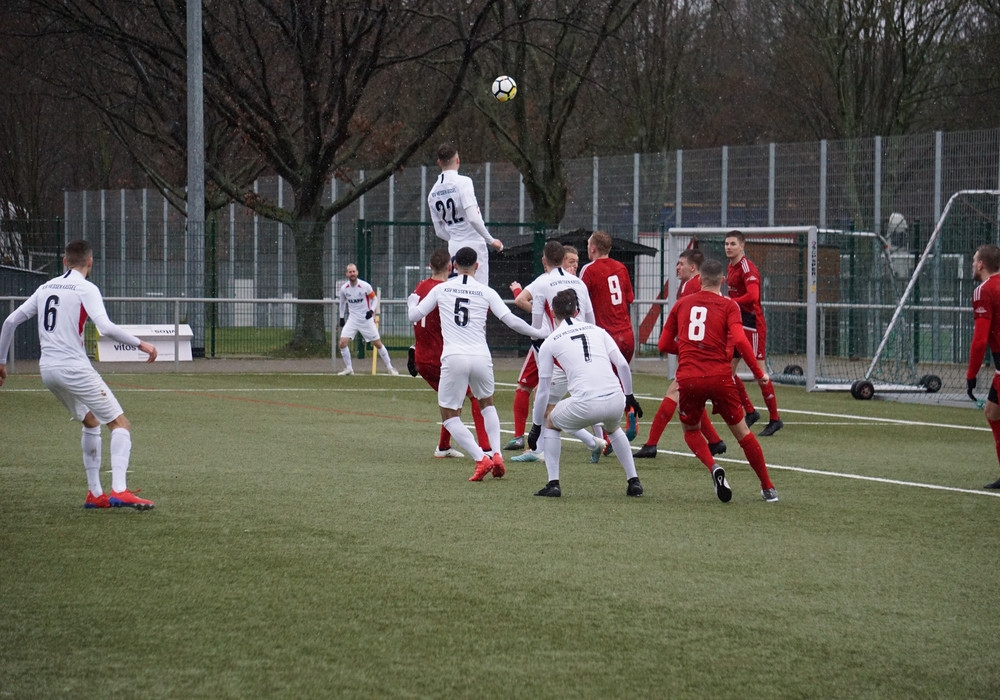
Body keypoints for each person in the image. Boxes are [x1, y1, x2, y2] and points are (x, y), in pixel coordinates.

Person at [0, 239, 157, 509]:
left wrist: (2, 361)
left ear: (65, 261)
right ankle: (120, 490)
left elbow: (10, 321)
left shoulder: (46, 287)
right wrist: (141, 344)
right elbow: (105, 327)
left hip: (48, 370)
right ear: (90, 262)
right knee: (120, 424)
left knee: (91, 421)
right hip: (74, 367)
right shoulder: (86, 288)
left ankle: (95, 494)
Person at [407, 246, 547, 482]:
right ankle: (496, 454)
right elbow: (511, 321)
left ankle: (480, 458)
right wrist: (539, 332)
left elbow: (414, 315)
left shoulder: (441, 288)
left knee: (449, 415)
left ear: (454, 266)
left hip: (454, 357)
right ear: (477, 266)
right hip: (481, 356)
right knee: (487, 404)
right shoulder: (486, 291)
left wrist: (411, 302)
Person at [659, 259, 779, 503]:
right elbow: (740, 340)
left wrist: (688, 351)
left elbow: (663, 344)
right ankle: (768, 488)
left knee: (691, 430)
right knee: (743, 433)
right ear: (723, 281)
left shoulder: (681, 304)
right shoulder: (729, 305)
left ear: (700, 280)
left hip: (689, 377)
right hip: (720, 377)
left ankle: (714, 467)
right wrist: (758, 373)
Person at [527, 289, 644, 498]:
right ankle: (633, 481)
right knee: (613, 428)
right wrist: (629, 397)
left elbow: (543, 389)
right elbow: (622, 365)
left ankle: (553, 484)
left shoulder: (550, 342)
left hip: (585, 404)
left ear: (552, 313)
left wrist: (536, 426)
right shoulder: (598, 331)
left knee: (551, 422)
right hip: (615, 399)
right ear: (577, 310)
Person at [506, 240, 605, 464]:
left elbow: (536, 327)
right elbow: (592, 321)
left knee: (547, 406)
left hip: (559, 352)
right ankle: (543, 448)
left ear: (544, 261)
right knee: (561, 403)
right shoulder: (579, 283)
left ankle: (591, 442)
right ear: (563, 260)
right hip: (583, 349)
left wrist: (536, 340)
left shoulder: (543, 282)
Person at [636, 248, 727, 458]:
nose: (677, 267)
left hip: (698, 356)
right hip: (708, 353)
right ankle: (715, 441)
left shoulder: (691, 286)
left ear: (693, 268)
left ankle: (651, 444)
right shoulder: (699, 286)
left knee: (675, 394)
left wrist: (686, 347)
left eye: (681, 264)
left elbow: (685, 323)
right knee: (691, 397)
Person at [408, 248, 491, 458]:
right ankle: (486, 449)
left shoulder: (421, 286)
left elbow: (421, 319)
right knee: (476, 396)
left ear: (430, 266)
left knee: (452, 402)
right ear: (449, 266)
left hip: (422, 355)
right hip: (440, 356)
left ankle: (444, 447)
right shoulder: (445, 290)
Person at [579, 230, 638, 446]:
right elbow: (629, 298)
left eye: (588, 245)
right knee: (619, 382)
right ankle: (629, 410)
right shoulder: (621, 267)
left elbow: (580, 299)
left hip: (606, 336)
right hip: (627, 335)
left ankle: (606, 437)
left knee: (598, 386)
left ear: (593, 248)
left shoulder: (589, 269)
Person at [724, 230, 782, 436]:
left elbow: (753, 296)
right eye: (726, 244)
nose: (728, 247)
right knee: (728, 370)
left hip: (752, 323)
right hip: (738, 323)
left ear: (742, 246)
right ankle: (750, 411)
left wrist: (730, 302)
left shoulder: (747, 267)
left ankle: (775, 419)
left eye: (733, 244)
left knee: (759, 371)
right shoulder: (731, 267)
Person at [427, 142, 503, 285]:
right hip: (474, 245)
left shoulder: (432, 193)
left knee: (457, 289)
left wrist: (456, 238)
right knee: (479, 291)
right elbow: (473, 218)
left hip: (454, 247)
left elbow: (439, 231)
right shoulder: (464, 182)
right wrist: (491, 240)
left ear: (439, 162)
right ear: (458, 160)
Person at [965, 244, 1000, 489]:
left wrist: (971, 374)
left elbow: (980, 340)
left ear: (981, 264)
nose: (972, 265)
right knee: (992, 412)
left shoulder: (984, 291)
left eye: (973, 260)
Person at [337, 263, 398, 376]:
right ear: (347, 274)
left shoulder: (365, 286)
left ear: (357, 272)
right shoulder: (344, 289)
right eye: (350, 272)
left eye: (354, 271)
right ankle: (349, 368)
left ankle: (390, 367)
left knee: (377, 343)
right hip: (352, 320)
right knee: (342, 343)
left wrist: (371, 311)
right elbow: (342, 303)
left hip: (366, 319)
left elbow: (374, 299)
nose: (352, 274)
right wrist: (341, 317)